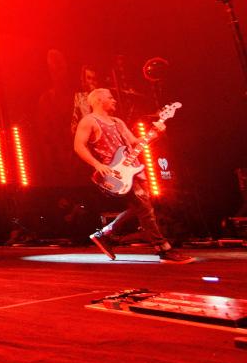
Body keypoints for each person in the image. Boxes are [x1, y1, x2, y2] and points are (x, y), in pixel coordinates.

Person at [73, 88, 192, 264]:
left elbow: (136, 143)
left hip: (133, 170)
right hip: (114, 174)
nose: (114, 100)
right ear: (98, 100)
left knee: (143, 206)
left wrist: (156, 133)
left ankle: (104, 234)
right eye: (110, 97)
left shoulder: (118, 122)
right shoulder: (89, 121)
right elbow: (79, 146)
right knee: (144, 207)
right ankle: (163, 248)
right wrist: (98, 165)